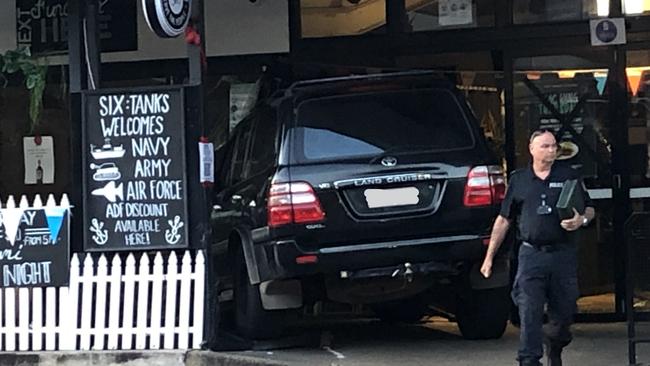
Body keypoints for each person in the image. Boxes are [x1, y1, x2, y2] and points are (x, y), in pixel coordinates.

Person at [480, 129, 595, 366]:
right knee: (529, 310)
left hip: (562, 254)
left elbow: (590, 209)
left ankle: (555, 344)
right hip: (531, 254)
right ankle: (529, 359)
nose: (551, 151)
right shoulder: (519, 180)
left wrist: (581, 220)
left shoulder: (568, 175)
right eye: (545, 146)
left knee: (564, 313)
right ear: (531, 149)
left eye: (554, 146)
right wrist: (489, 258)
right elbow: (504, 220)